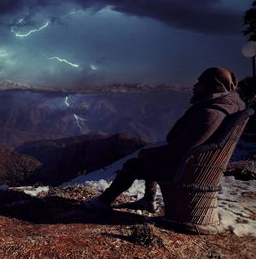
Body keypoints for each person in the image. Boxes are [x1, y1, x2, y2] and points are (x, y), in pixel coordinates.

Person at [84, 67, 246, 213]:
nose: (195, 86)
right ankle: (148, 200)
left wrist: (150, 154)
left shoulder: (210, 114)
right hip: (198, 166)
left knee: (132, 165)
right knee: (150, 156)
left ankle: (103, 202)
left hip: (187, 169)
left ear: (214, 86)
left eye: (200, 83)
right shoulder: (227, 107)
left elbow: (184, 147)